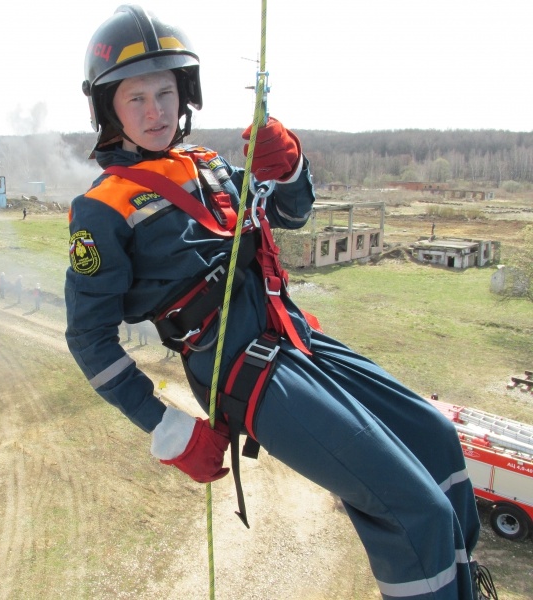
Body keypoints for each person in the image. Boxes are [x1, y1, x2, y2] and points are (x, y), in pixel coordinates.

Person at [64, 6, 495, 600]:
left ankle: (462, 585)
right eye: (135, 98)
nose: (155, 111)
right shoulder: (102, 209)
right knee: (408, 508)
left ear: (184, 93)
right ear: (108, 108)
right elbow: (88, 339)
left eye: (164, 92)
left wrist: (288, 167)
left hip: (295, 337)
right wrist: (165, 426)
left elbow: (291, 214)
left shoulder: (208, 167)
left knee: (436, 442)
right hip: (241, 366)